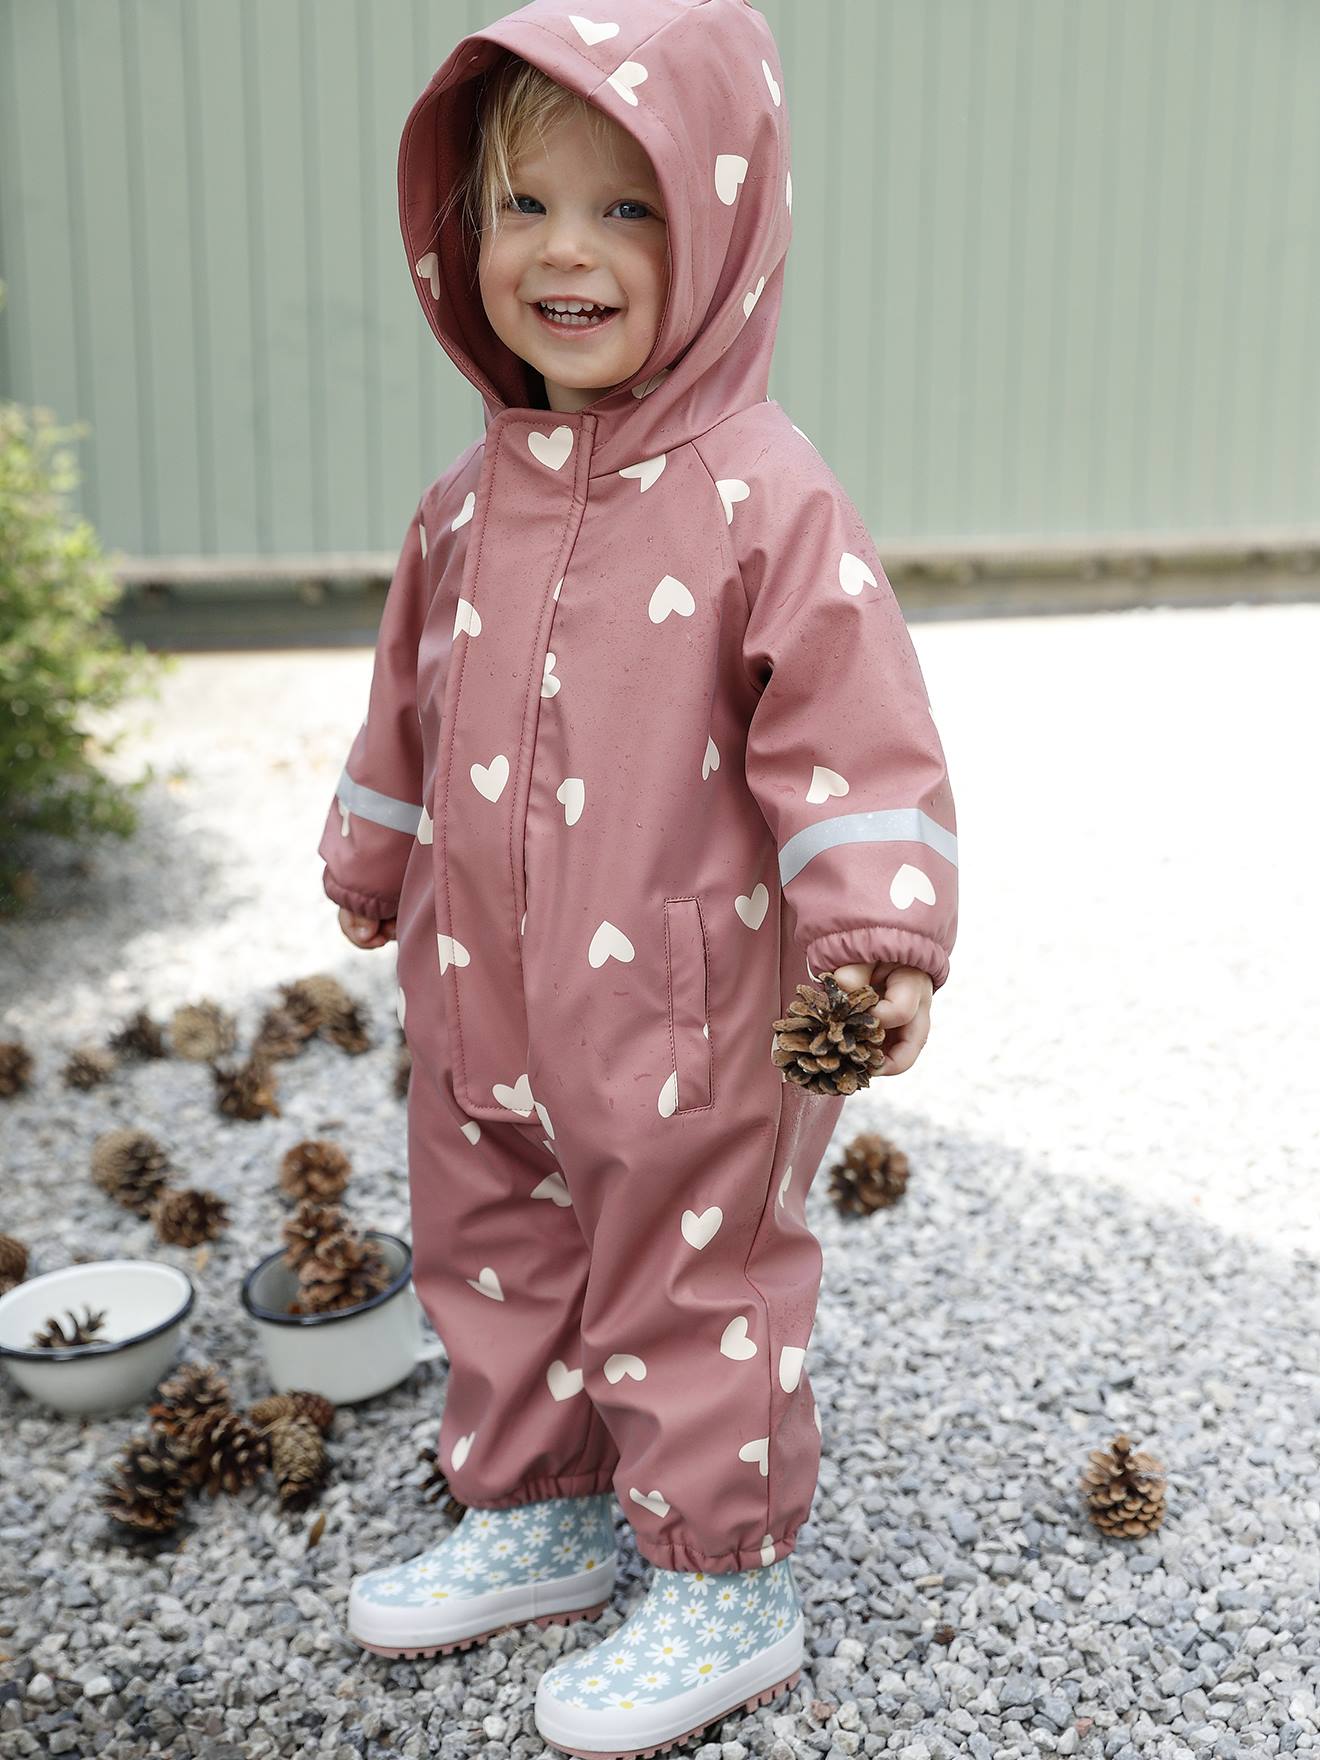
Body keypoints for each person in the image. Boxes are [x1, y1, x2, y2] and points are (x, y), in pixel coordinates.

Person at [318, 1, 958, 1751]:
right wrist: (375, 845)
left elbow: (855, 734)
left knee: (692, 1269)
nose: (565, 254)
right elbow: (409, 699)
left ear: (729, 231)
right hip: (478, 988)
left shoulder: (763, 496)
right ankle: (536, 1504)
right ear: (464, 234)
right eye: (524, 206)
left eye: (631, 208)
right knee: (492, 1240)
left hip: (683, 999)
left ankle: (725, 1578)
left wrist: (876, 927)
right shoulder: (465, 504)